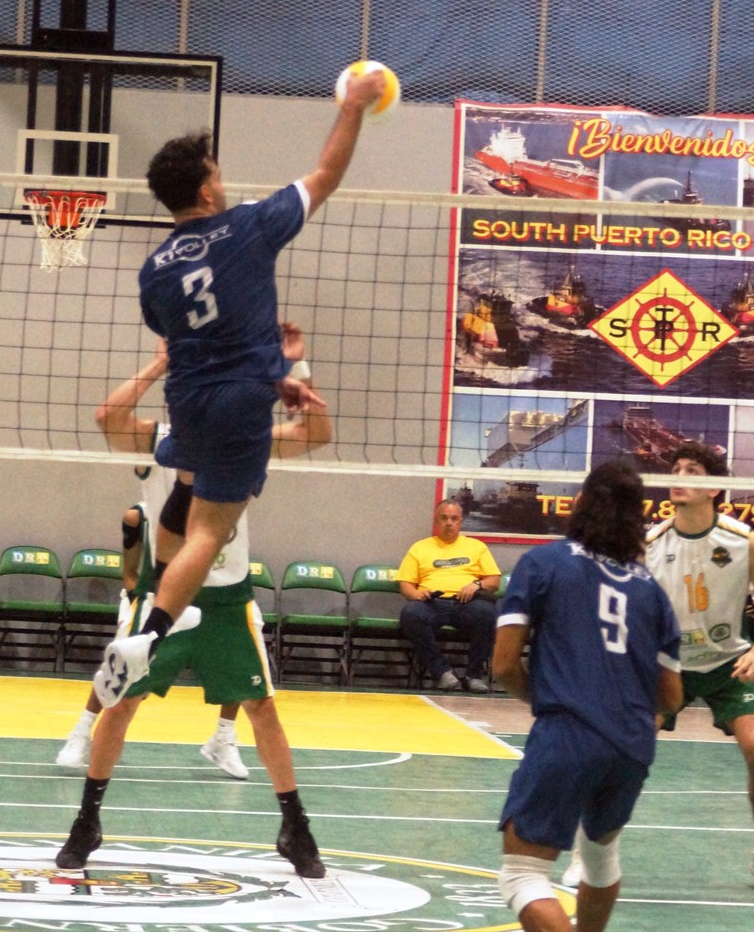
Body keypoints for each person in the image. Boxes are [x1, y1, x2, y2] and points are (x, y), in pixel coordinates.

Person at [93, 68, 385, 704]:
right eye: (218, 175)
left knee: (187, 489)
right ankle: (149, 634)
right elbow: (327, 174)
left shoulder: (154, 269)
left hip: (188, 401)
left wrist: (275, 373)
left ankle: (160, 603)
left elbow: (186, 333)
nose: (224, 183)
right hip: (237, 402)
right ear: (205, 189)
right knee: (212, 530)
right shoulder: (249, 226)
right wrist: (354, 107)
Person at [55, 338, 336, 879]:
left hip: (227, 596)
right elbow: (107, 416)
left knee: (263, 709)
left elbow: (316, 435)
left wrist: (298, 366)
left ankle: (295, 828)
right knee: (123, 704)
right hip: (163, 592)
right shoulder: (158, 441)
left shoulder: (246, 441)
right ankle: (86, 822)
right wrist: (162, 361)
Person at [563, 441, 754, 894]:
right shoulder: (649, 543)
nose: (679, 476)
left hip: (730, 663)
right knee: (618, 754)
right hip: (667, 666)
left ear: (714, 488)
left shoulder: (743, 540)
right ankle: (587, 852)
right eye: (676, 468)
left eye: (692, 470)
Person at [493, 460, 682, 932]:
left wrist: (549, 697)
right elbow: (671, 697)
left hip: (569, 733)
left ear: (580, 503)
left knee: (522, 874)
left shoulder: (543, 563)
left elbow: (503, 665)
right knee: (600, 856)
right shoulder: (653, 592)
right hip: (633, 744)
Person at [396, 499, 501, 692]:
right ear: (436, 521)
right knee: (410, 614)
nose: (449, 523)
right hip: (431, 603)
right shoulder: (420, 548)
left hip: (466, 603)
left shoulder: (477, 547)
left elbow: (494, 581)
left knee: (488, 614)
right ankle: (443, 673)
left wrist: (477, 585)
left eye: (454, 518)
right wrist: (417, 594)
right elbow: (405, 585)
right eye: (444, 518)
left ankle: (474, 676)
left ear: (461, 522)